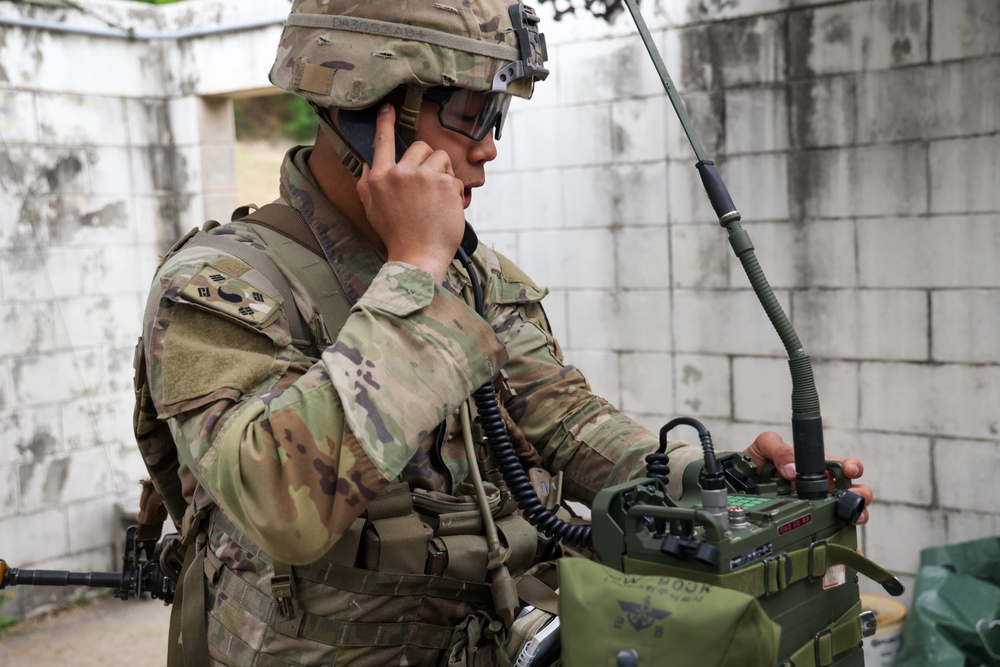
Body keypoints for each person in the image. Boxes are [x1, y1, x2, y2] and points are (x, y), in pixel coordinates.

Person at [135, 2, 873, 665]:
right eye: (469, 114)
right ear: (370, 107)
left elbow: (564, 417)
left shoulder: (475, 271)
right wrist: (415, 273)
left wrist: (703, 481)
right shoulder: (220, 286)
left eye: (497, 117)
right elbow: (279, 502)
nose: (489, 148)